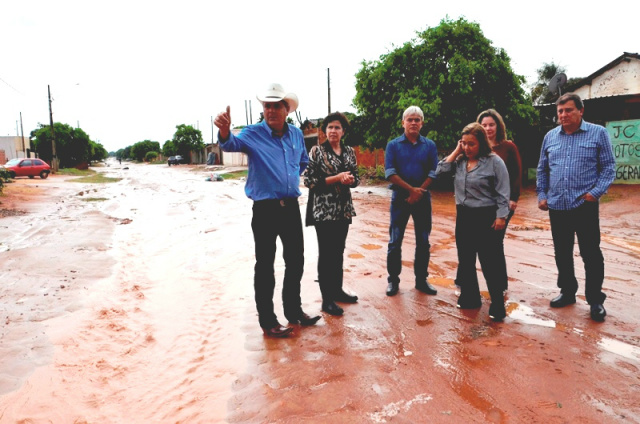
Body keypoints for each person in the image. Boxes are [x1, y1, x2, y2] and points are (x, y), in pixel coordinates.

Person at [214, 83, 320, 338]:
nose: (271, 111)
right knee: (265, 266)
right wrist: (225, 131)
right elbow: (230, 145)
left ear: (287, 109)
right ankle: (268, 321)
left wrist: (290, 176)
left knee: (296, 261)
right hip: (265, 210)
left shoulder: (295, 134)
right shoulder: (253, 133)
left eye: (276, 106)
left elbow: (303, 161)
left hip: (291, 207)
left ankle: (294, 311)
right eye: (267, 106)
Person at [536, 93, 615, 322]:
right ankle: (567, 292)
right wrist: (542, 195)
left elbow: (609, 167)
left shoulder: (598, 133)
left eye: (568, 110)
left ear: (581, 111)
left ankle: (595, 300)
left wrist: (596, 193)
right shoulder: (550, 137)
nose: (563, 115)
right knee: (562, 252)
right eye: (560, 111)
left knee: (591, 253)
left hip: (584, 205)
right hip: (558, 205)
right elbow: (542, 169)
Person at [436, 123, 510, 321]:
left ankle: (496, 302)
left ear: (481, 143)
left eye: (472, 144)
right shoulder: (460, 161)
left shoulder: (494, 162)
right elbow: (439, 172)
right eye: (465, 144)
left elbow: (503, 192)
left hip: (486, 216)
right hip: (464, 216)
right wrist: (456, 151)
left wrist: (501, 216)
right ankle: (470, 297)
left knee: (489, 262)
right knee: (466, 260)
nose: (468, 148)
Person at [304, 112, 360, 317]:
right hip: (323, 210)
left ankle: (337, 291)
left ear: (343, 131)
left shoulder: (349, 152)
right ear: (325, 131)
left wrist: (350, 180)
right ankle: (327, 300)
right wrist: (336, 178)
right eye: (330, 127)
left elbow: (357, 178)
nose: (333, 131)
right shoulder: (317, 152)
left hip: (343, 209)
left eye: (337, 127)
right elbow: (309, 181)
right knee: (326, 254)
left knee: (338, 251)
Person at [384, 106, 439, 297]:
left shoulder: (429, 145)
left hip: (423, 199)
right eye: (410, 119)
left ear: (422, 123)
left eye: (417, 120)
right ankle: (393, 281)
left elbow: (434, 171)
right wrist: (411, 190)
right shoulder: (393, 145)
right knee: (395, 241)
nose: (413, 123)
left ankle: (421, 281)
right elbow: (389, 172)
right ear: (403, 122)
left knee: (423, 242)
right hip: (400, 198)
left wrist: (419, 191)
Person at [476, 108, 522, 293]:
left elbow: (517, 173)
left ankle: (500, 285)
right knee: (481, 244)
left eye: (491, 124)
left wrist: (513, 198)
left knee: (495, 243)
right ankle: (471, 281)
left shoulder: (508, 146)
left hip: (503, 204)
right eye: (484, 125)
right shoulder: (476, 147)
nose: (488, 128)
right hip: (481, 204)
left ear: (498, 126)